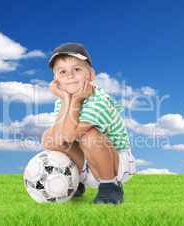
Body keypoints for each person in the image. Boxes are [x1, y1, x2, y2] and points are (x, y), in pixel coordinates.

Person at [41, 43, 136, 205]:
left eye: (76, 69)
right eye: (63, 72)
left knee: (89, 136)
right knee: (49, 137)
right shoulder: (63, 101)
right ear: (56, 80)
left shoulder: (99, 100)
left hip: (115, 165)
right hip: (88, 163)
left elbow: (71, 135)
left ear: (91, 75)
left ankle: (111, 187)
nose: (70, 76)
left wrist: (76, 99)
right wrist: (66, 100)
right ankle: (75, 180)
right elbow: (58, 139)